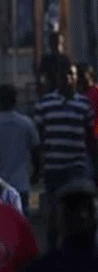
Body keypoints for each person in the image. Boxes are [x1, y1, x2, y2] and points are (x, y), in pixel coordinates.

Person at [35, 61, 98, 244]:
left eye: (72, 74)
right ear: (58, 78)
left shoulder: (84, 105)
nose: (69, 78)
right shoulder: (45, 104)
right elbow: (39, 137)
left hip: (76, 167)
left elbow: (90, 138)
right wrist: (40, 164)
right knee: (55, 215)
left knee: (81, 211)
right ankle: (53, 254)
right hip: (54, 168)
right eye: (65, 75)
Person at [0, 84, 40, 200]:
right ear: (15, 100)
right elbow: (36, 151)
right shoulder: (26, 123)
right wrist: (35, 175)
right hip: (21, 183)